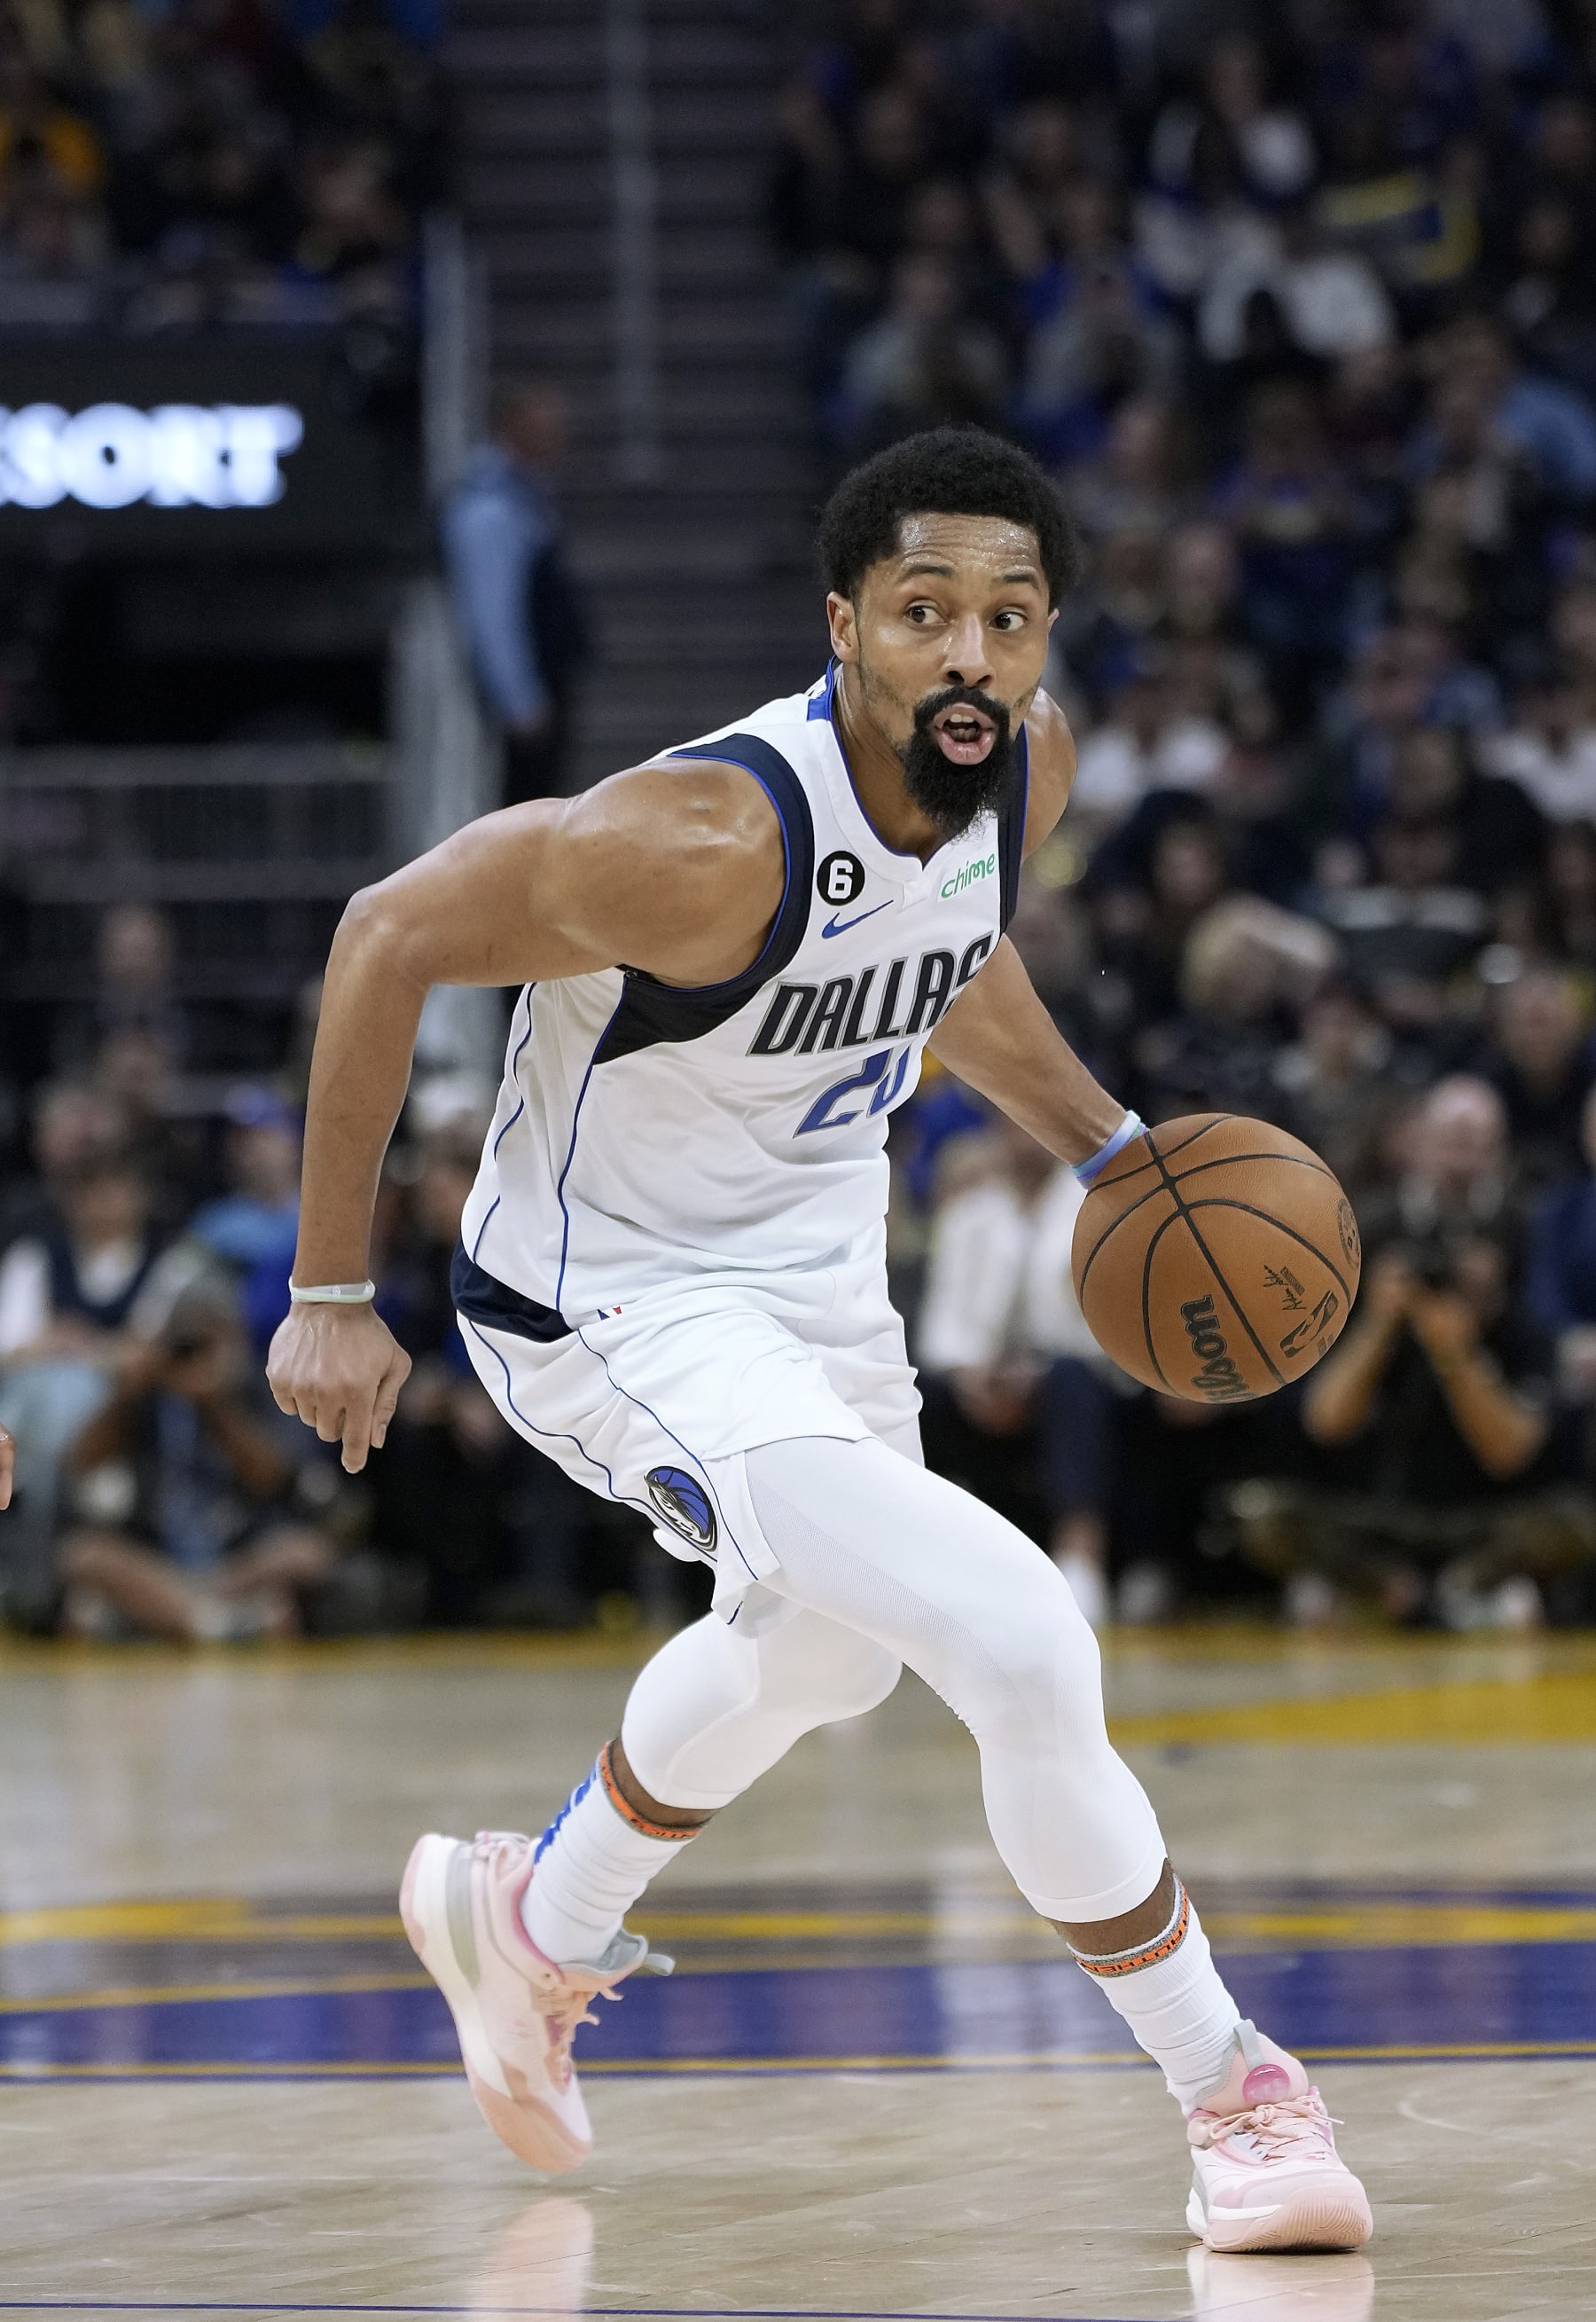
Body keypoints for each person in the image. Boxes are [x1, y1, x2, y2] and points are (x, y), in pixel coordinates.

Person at [267, 425, 1371, 2252]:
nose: (970, 654)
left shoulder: (1029, 776)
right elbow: (385, 934)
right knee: (1020, 1640)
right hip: (611, 1296)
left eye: (1009, 619)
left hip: (814, 1278)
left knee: (831, 1659)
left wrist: (1108, 1146)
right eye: (927, 612)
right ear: (844, 622)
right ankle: (1233, 2087)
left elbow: (954, 958)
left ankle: (531, 1918)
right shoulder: (692, 840)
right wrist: (326, 1291)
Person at [58, 1278, 340, 1642]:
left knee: (305, 1554)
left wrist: (214, 1403)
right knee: (83, 1555)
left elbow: (270, 1477)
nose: (196, 1356)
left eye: (210, 1341)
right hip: (154, 1554)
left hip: (238, 1553)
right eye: (185, 1342)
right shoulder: (144, 1393)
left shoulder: (259, 1386)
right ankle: (218, 1625)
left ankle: (162, 1615)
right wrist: (126, 1395)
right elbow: (82, 1461)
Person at [442, 382, 591, 807]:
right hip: (530, 689)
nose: (558, 440)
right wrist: (520, 699)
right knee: (523, 809)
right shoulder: (489, 507)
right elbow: (492, 614)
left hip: (547, 677)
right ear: (516, 429)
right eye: (547, 428)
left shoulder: (525, 495)